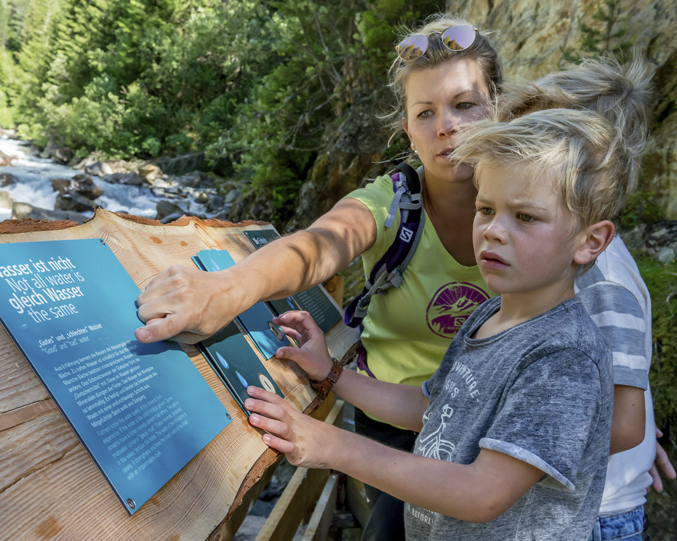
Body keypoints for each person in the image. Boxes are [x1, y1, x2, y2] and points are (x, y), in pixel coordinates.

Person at [135, 15, 503, 538]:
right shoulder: (394, 202)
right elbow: (323, 242)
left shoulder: (534, 204)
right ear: (409, 133)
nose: (447, 126)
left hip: (492, 422)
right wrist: (229, 287)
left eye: (465, 104)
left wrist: (619, 417)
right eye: (426, 113)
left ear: (498, 109)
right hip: (394, 418)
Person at [244, 107, 627, 539]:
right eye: (486, 210)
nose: (493, 231)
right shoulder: (489, 313)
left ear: (590, 241)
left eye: (525, 217)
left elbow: (483, 493)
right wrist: (331, 372)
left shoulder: (564, 356)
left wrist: (330, 445)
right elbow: (431, 409)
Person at [497, 57, 675, 541]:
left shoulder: (601, 277)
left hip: (591, 515)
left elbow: (622, 424)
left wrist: (495, 447)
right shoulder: (569, 264)